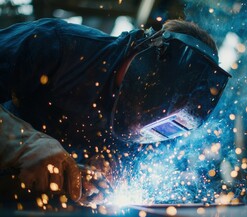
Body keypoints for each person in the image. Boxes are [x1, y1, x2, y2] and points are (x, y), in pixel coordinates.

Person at [0, 18, 231, 206]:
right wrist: (24, 143)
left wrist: (89, 177)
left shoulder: (161, 133)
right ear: (150, 60)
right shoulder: (58, 44)